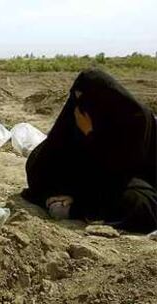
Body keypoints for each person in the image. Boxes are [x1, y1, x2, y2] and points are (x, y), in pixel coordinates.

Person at [22, 68, 157, 233]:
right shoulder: (77, 115)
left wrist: (91, 134)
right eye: (76, 98)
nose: (79, 107)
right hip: (94, 179)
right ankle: (80, 205)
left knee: (138, 203)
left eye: (86, 101)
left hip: (132, 179)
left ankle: (78, 209)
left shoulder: (137, 119)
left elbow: (117, 173)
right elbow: (43, 164)